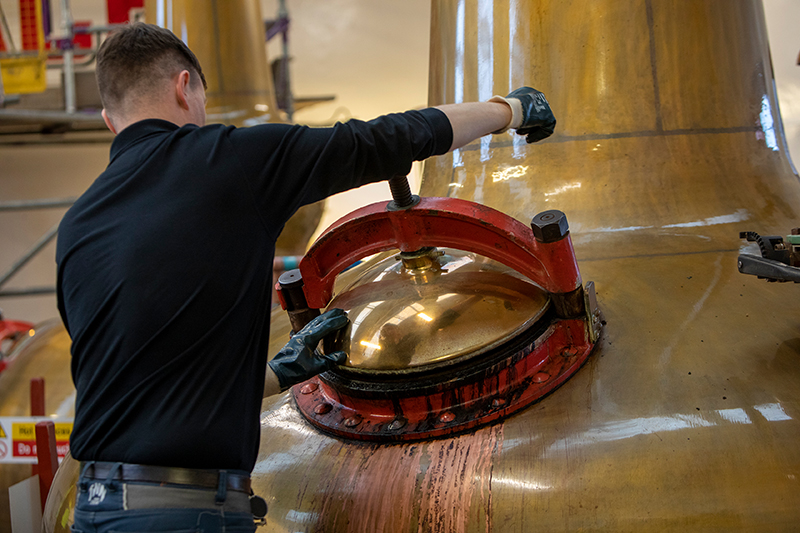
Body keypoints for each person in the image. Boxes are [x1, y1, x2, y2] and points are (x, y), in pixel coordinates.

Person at [55, 22, 556, 533]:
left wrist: (280, 374)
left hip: (94, 508)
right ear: (185, 88)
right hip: (184, 512)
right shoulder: (226, 161)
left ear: (109, 120)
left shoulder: (78, 224)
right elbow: (383, 140)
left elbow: (146, 379)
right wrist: (509, 110)